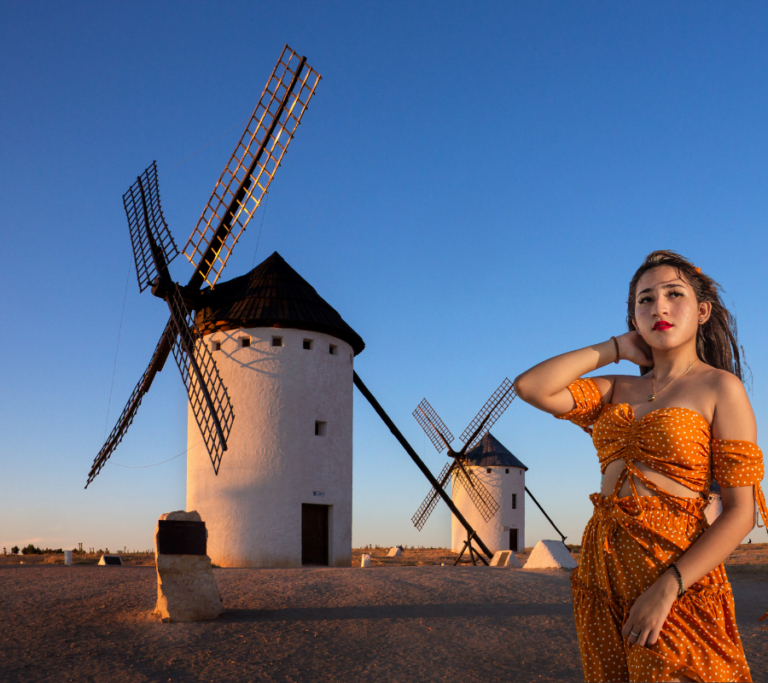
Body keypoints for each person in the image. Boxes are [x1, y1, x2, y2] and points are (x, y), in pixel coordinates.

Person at [513, 250, 767, 682]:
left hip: (674, 571)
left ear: (702, 310)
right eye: (644, 300)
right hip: (600, 576)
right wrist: (615, 349)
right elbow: (531, 387)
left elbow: (741, 512)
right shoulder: (616, 387)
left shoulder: (720, 387)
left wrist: (669, 586)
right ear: (633, 317)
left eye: (673, 294)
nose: (659, 307)